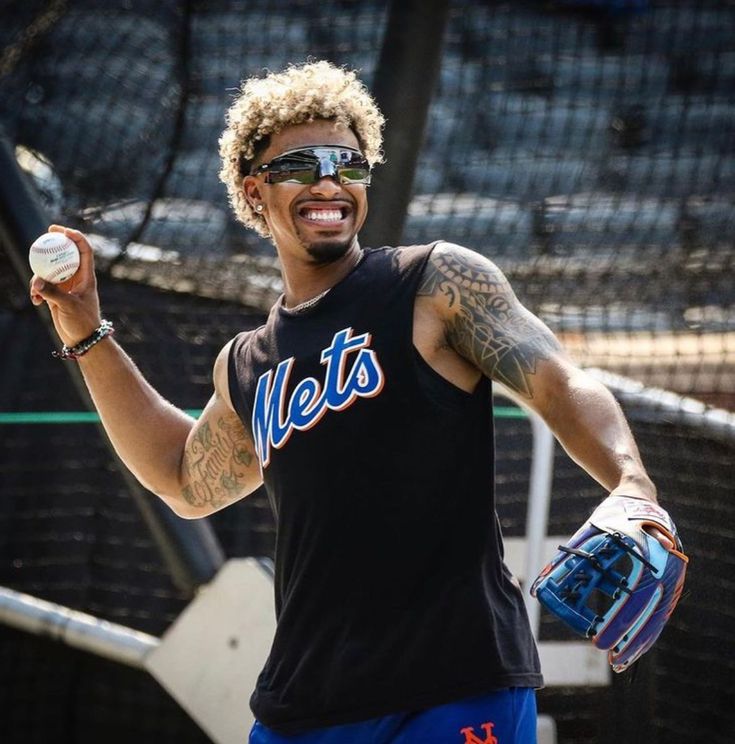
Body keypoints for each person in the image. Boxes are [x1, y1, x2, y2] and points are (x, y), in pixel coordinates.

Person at [30, 60, 671, 744]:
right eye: (301, 164)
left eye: (349, 163)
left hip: (454, 683)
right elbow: (185, 480)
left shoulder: (433, 283)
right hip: (305, 705)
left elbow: (559, 383)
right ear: (254, 190)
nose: (330, 180)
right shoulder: (247, 362)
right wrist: (86, 332)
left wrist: (631, 484)